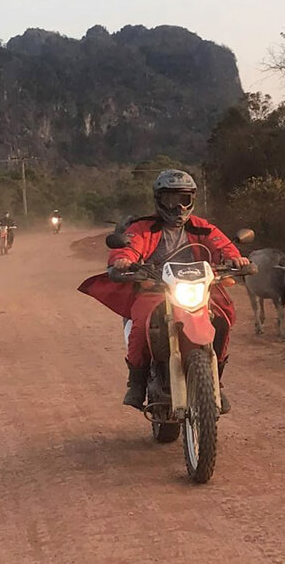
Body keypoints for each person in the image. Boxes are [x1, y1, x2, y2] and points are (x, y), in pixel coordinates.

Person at [78, 169, 248, 413]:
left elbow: (223, 245)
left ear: (192, 200)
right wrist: (124, 260)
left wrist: (236, 259)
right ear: (159, 200)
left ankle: (216, 381)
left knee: (223, 317)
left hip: (198, 287)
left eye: (183, 200)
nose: (178, 207)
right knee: (140, 324)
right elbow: (129, 246)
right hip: (156, 288)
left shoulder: (202, 227)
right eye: (171, 199)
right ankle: (136, 382)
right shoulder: (143, 228)